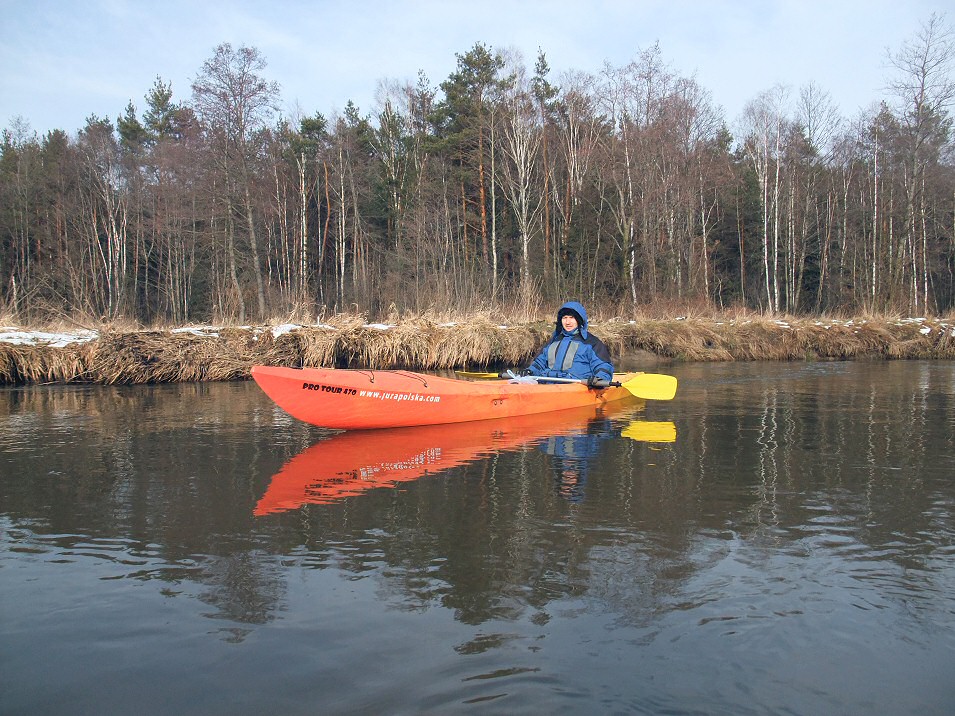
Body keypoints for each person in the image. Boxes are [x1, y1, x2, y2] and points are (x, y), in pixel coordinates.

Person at [522, 301, 614, 387]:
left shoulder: (592, 343)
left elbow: (603, 366)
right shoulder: (553, 341)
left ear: (579, 320)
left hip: (576, 387)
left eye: (571, 318)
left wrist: (599, 378)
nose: (567, 322)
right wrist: (530, 371)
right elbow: (539, 363)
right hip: (549, 386)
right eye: (564, 318)